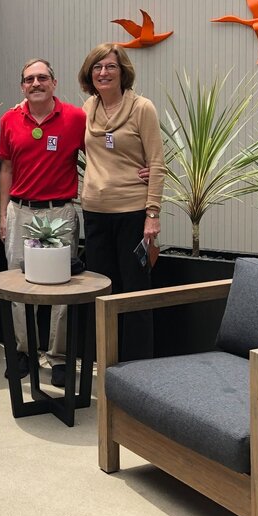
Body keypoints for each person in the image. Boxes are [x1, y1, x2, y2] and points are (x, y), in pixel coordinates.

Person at [0, 59, 86, 387]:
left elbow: (100, 156)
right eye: (29, 79)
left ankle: (60, 356)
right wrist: (3, 214)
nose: (36, 83)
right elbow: (5, 169)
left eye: (42, 78)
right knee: (18, 284)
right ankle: (23, 351)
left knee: (63, 285)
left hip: (60, 211)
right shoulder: (9, 119)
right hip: (20, 212)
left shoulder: (76, 118)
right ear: (22, 86)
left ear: (54, 82)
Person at [77, 43, 165, 361]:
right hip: (96, 213)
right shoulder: (87, 108)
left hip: (133, 212)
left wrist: (152, 213)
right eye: (97, 67)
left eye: (110, 66)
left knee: (136, 291)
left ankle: (137, 366)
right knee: (102, 290)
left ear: (122, 70)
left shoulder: (142, 108)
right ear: (90, 73)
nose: (103, 72)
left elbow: (156, 163)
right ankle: (106, 360)